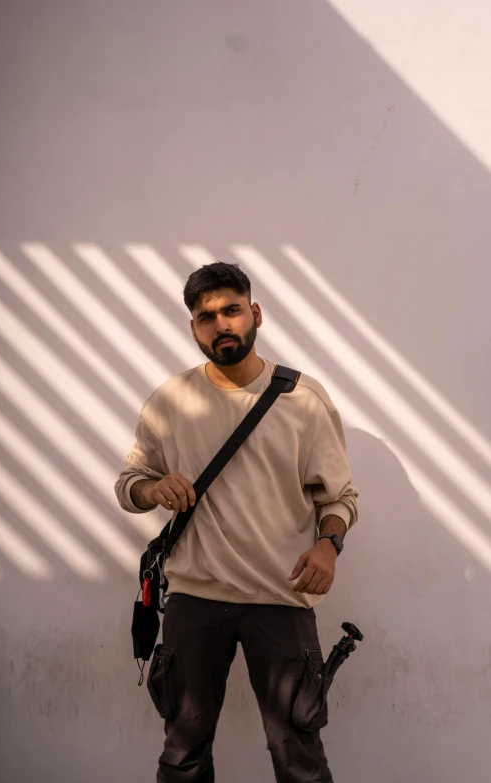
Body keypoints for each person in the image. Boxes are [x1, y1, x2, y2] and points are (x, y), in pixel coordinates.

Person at [115, 262, 359, 783]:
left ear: (255, 314)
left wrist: (328, 545)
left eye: (230, 310)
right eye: (206, 317)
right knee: (182, 755)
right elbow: (129, 482)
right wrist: (152, 488)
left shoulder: (302, 399)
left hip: (280, 598)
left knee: (298, 758)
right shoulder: (170, 401)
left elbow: (340, 497)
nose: (220, 324)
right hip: (194, 600)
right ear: (192, 328)